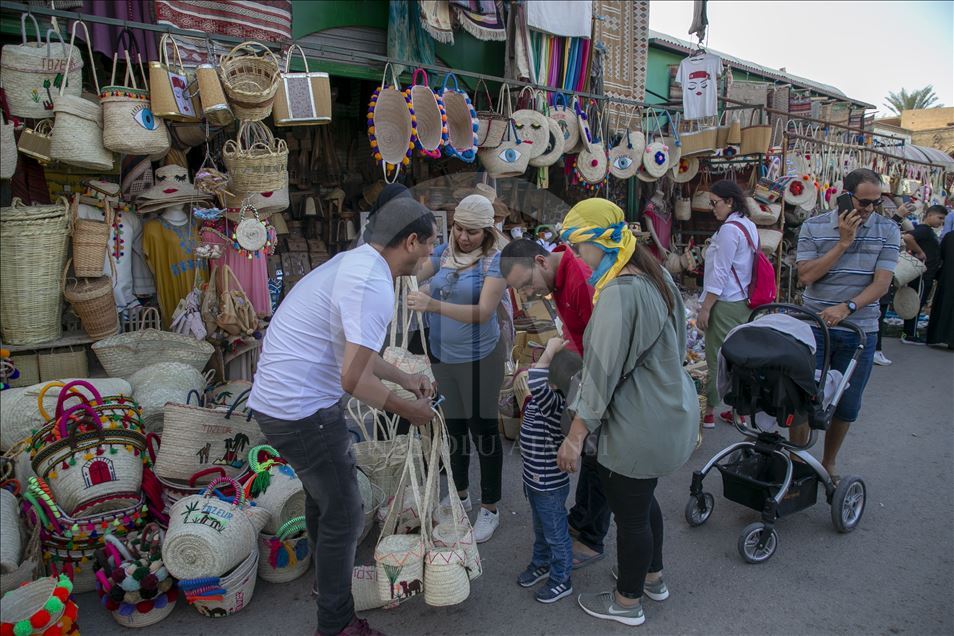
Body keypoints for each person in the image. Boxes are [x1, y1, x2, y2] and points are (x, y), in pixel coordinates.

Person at [247, 198, 437, 636]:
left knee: (325, 499)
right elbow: (354, 379)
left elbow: (357, 355)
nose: (431, 252)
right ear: (411, 241)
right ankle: (336, 623)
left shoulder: (355, 263)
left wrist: (405, 378)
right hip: (301, 410)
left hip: (280, 403)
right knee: (346, 513)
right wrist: (410, 410)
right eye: (429, 244)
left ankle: (327, 584)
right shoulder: (373, 285)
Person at [555, 199, 697, 627]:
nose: (577, 256)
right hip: (669, 407)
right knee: (642, 502)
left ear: (601, 242)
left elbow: (599, 377)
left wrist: (574, 437)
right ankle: (652, 577)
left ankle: (627, 602)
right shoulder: (655, 273)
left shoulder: (619, 292)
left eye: (579, 246)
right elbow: (677, 343)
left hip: (637, 423)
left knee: (631, 516)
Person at [500, 238, 610, 569]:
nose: (528, 294)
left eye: (527, 284)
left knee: (599, 458)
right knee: (591, 456)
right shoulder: (559, 280)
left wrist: (582, 417)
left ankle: (592, 537)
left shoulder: (580, 281)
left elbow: (605, 349)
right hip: (585, 371)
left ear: (541, 261)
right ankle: (582, 517)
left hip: (601, 377)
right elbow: (577, 336)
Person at [406, 194, 509, 543]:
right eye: (459, 229)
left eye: (472, 232)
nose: (463, 237)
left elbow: (483, 312)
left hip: (480, 360)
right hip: (443, 357)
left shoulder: (495, 261)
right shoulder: (444, 252)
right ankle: (459, 493)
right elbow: (416, 271)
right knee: (453, 429)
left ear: (487, 232)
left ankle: (490, 507)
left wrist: (432, 304)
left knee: (484, 432)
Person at [794, 168, 900, 479]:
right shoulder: (814, 227)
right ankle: (797, 462)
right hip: (814, 326)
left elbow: (881, 284)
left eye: (876, 203)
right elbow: (806, 276)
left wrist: (848, 307)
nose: (869, 210)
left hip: (859, 329)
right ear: (845, 196)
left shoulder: (887, 230)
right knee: (802, 397)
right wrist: (842, 243)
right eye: (863, 202)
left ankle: (829, 462)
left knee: (847, 403)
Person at [516, 338, 582, 604]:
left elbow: (535, 379)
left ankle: (561, 578)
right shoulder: (541, 400)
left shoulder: (553, 403)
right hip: (535, 482)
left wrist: (551, 349)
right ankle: (542, 563)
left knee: (555, 534)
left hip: (548, 486)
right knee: (542, 529)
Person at [696, 179, 758, 428]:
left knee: (716, 359)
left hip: (725, 303)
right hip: (743, 301)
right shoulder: (748, 225)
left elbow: (719, 273)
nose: (713, 209)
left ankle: (709, 412)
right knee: (739, 358)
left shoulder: (729, 230)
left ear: (730, 201)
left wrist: (706, 308)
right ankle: (738, 411)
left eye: (715, 203)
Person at [874, 200, 924, 365]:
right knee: (877, 314)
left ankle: (875, 349)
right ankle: (875, 350)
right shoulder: (878, 226)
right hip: (877, 276)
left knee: (878, 314)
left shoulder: (883, 220)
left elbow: (909, 230)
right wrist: (897, 216)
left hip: (884, 275)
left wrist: (899, 216)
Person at [901, 205, 947, 345]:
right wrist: (920, 252)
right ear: (930, 215)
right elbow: (908, 237)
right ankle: (910, 334)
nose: (941, 222)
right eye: (940, 218)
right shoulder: (924, 230)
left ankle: (910, 332)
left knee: (917, 303)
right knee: (916, 303)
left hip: (925, 274)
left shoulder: (928, 231)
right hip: (922, 275)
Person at [926, 230, 954, 348]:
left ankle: (938, 336)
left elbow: (940, 256)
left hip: (947, 278)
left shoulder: (950, 236)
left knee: (944, 306)